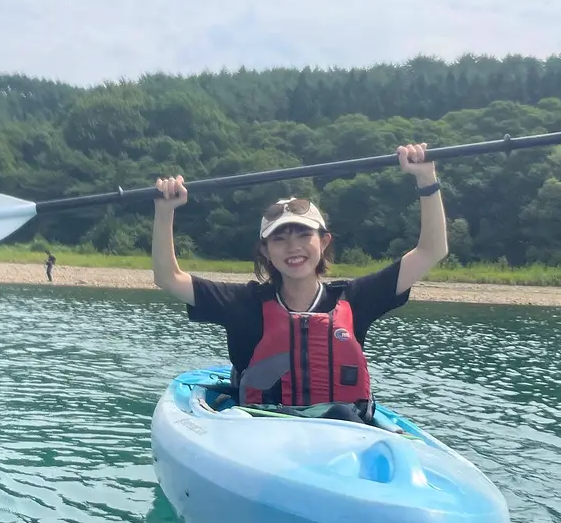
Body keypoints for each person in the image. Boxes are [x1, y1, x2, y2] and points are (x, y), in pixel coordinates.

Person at [151, 144, 447, 422]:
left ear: (324, 241)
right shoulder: (243, 304)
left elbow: (431, 250)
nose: (293, 248)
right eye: (279, 239)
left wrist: (426, 178)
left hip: (343, 437)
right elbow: (168, 277)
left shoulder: (355, 298)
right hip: (261, 436)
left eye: (304, 236)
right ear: (266, 251)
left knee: (343, 415)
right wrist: (165, 211)